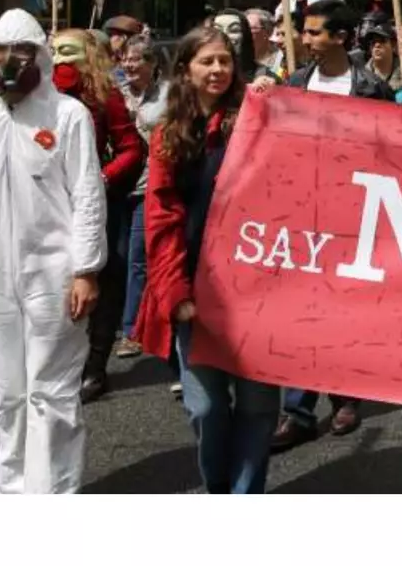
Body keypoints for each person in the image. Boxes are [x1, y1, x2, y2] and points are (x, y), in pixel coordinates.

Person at [0, 9, 106, 493]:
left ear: (39, 55)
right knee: (8, 392)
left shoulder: (68, 115)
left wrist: (86, 269)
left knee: (51, 390)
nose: (8, 61)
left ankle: (54, 490)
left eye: (20, 51)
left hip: (53, 275)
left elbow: (87, 197)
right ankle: (12, 489)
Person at [132, 25, 281, 493]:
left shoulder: (257, 118)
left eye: (225, 60)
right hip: (196, 291)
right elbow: (161, 219)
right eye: (206, 61)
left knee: (258, 407)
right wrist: (174, 293)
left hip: (258, 289)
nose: (218, 70)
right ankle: (219, 488)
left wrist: (278, 101)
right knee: (206, 407)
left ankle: (245, 492)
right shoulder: (168, 136)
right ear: (185, 70)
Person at [270, 0, 393, 451]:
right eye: (304, 32)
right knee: (301, 307)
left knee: (344, 308)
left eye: (315, 32)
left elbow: (392, 150)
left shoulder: (370, 88)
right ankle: (297, 410)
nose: (306, 39)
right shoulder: (296, 84)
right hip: (303, 214)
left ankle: (346, 395)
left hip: (354, 215)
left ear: (341, 37)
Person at [47, 28, 145, 403]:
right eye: (53, 50)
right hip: (51, 205)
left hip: (101, 203)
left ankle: (95, 366)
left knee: (106, 279)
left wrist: (100, 179)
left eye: (68, 51)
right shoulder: (37, 95)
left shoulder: (105, 96)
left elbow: (131, 148)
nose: (59, 59)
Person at [115, 35, 169, 358]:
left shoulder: (167, 95)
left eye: (136, 60)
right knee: (119, 256)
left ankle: (131, 329)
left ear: (152, 64)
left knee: (137, 258)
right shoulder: (116, 94)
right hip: (117, 185)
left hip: (149, 185)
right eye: (125, 59)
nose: (129, 65)